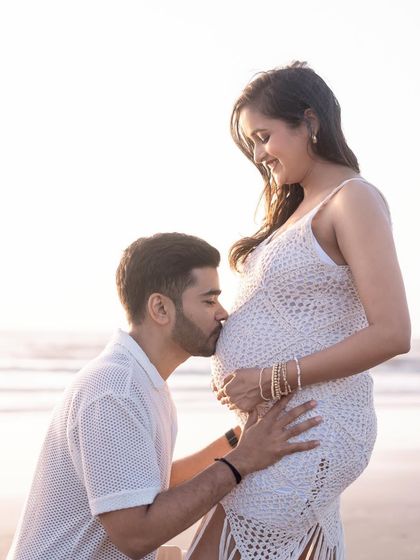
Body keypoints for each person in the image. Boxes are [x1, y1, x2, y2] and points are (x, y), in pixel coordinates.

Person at [186, 62, 411, 559]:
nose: (259, 154)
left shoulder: (354, 200)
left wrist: (269, 380)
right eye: (251, 145)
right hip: (280, 427)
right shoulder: (299, 209)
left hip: (313, 423)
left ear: (309, 121)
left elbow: (394, 332)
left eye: (264, 136)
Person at [7, 232, 322, 560]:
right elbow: (137, 535)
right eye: (209, 300)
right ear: (160, 308)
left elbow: (144, 484)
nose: (223, 312)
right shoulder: (115, 390)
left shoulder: (142, 380)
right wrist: (242, 461)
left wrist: (238, 439)